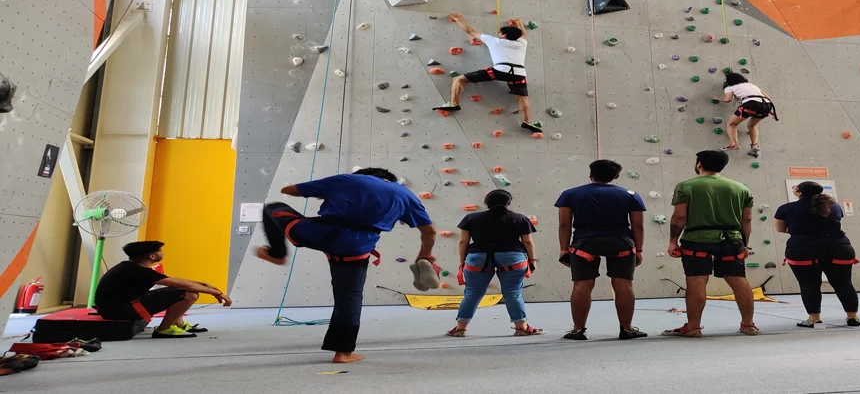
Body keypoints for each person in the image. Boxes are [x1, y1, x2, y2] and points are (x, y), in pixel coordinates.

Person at [255, 167, 438, 364]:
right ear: (389, 180)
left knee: (273, 207)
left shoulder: (348, 180)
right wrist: (424, 255)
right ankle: (343, 353)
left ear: (365, 175)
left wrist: (328, 192)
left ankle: (277, 254)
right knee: (349, 296)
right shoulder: (405, 195)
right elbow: (429, 231)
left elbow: (288, 190)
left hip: (317, 233)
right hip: (356, 247)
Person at [663, 150, 759, 337]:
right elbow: (746, 220)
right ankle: (748, 325)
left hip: (696, 240)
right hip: (732, 239)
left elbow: (679, 217)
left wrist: (673, 241)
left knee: (697, 280)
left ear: (699, 164)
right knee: (738, 280)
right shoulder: (741, 188)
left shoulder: (686, 186)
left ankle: (693, 327)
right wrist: (745, 244)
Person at [555, 160, 648, 341]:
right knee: (623, 285)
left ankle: (578, 330)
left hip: (584, 244)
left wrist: (563, 249)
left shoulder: (570, 194)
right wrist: (639, 249)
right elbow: (638, 226)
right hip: (621, 242)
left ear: (591, 174)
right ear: (616, 177)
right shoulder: (631, 195)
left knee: (582, 285)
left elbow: (564, 225)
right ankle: (627, 329)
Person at [447, 190, 543, 337]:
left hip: (478, 258)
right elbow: (527, 242)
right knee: (512, 293)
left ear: (486, 203)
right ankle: (521, 328)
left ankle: (460, 328)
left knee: (472, 293)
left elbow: (463, 242)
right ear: (509, 203)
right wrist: (532, 260)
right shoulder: (520, 219)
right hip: (513, 258)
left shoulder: (471, 218)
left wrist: (462, 261)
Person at [94, 241, 232, 338]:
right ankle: (164, 329)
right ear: (152, 256)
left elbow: (177, 281)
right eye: (159, 250)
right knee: (189, 294)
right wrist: (218, 293)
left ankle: (180, 325)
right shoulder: (139, 271)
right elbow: (181, 285)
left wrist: (205, 285)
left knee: (180, 291)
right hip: (118, 311)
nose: (162, 252)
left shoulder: (132, 267)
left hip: (117, 306)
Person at [434, 14, 542, 133]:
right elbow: (523, 34)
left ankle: (454, 104)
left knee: (459, 79)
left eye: (500, 33)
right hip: (518, 73)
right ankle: (526, 121)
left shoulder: (494, 41)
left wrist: (458, 20)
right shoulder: (522, 43)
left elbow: (470, 30)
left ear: (504, 35)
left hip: (499, 70)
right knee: (522, 97)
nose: (498, 34)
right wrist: (520, 22)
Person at [774, 182, 860, 328]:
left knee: (809, 284)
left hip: (803, 249)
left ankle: (815, 320)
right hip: (839, 248)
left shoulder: (786, 208)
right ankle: (853, 317)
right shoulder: (835, 206)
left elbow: (780, 228)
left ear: (800, 193)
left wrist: (798, 229)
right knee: (844, 283)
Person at [716, 72, 776, 157]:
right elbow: (768, 97)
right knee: (752, 125)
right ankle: (754, 145)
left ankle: (734, 144)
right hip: (767, 105)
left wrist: (718, 98)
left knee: (731, 124)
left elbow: (728, 99)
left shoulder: (730, 87)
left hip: (752, 104)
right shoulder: (751, 85)